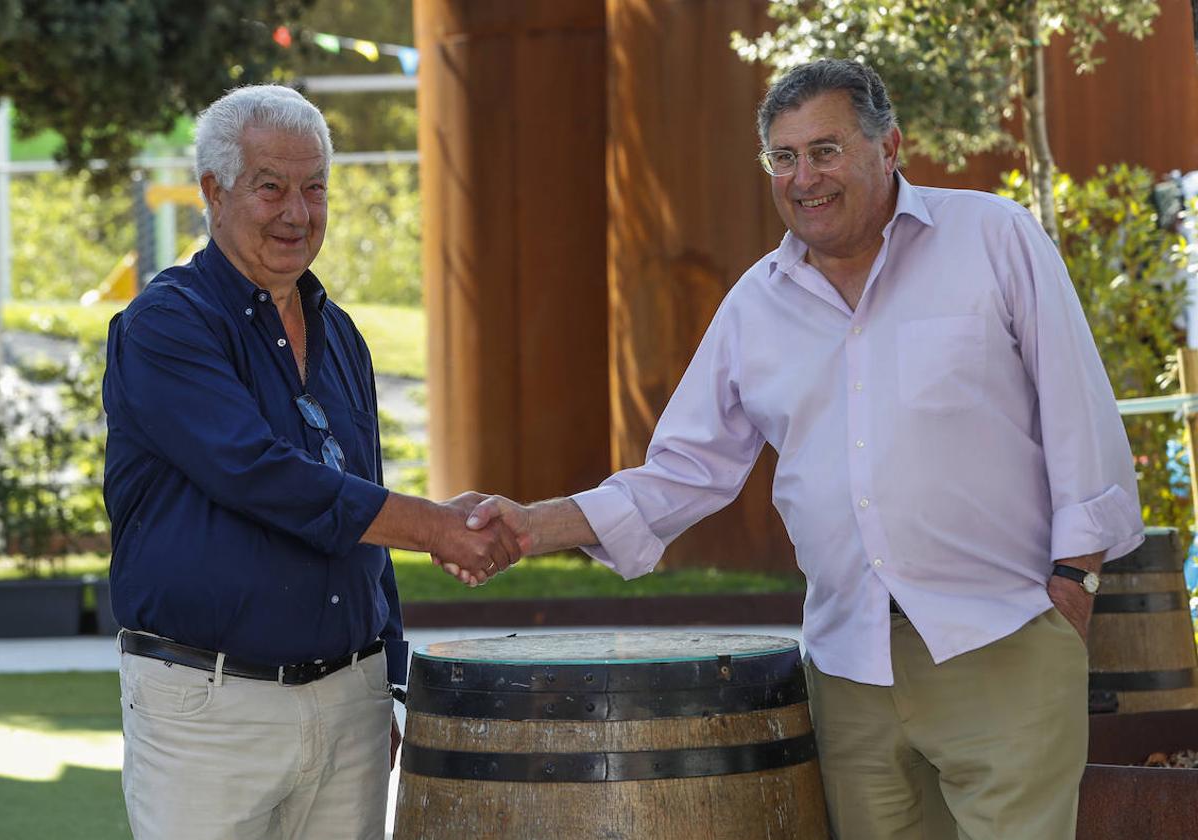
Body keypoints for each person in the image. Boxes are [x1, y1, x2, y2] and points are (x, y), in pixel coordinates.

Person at [454, 60, 1143, 839]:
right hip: (850, 671)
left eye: (825, 150)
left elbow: (1079, 413)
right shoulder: (756, 304)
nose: (803, 177)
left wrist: (1074, 581)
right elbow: (683, 471)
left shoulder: (993, 236)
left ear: (890, 147)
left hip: (1002, 639)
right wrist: (531, 526)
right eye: (783, 157)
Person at [102, 84, 520, 840]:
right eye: (271, 188)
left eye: (315, 188)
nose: (298, 212)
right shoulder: (165, 324)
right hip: (210, 710)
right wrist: (434, 525)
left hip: (351, 709)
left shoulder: (342, 334)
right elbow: (260, 475)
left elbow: (358, 499)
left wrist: (387, 682)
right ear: (213, 191)